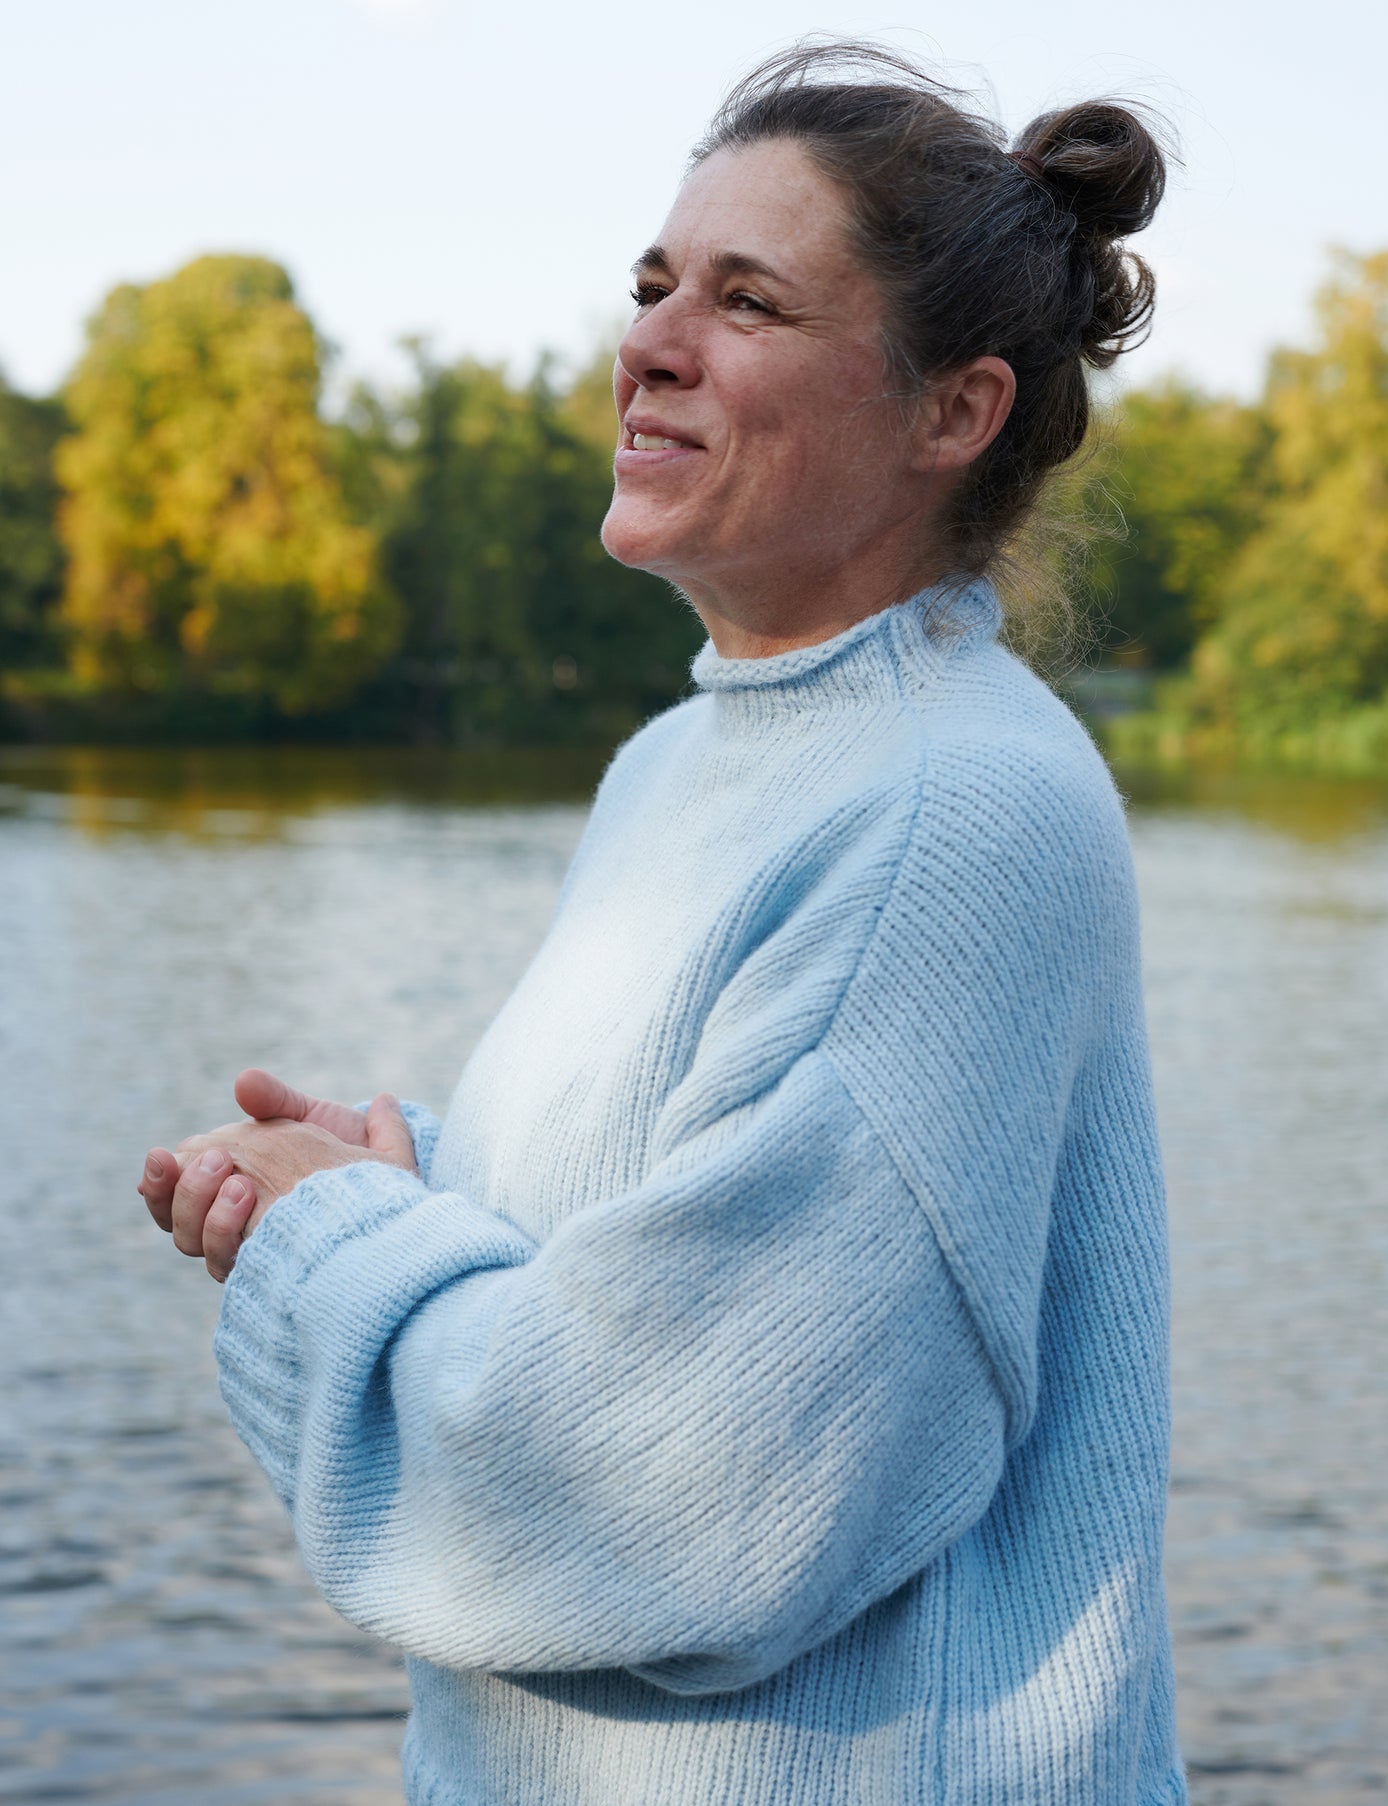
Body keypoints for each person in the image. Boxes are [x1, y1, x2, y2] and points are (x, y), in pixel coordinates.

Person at [139, 42, 1186, 1806]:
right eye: (649, 286)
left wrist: (337, 1248)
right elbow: (695, 1217)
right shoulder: (684, 762)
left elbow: (663, 1488)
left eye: (747, 299)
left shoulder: (955, 810)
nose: (649, 342)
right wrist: (388, 1172)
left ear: (953, 413)